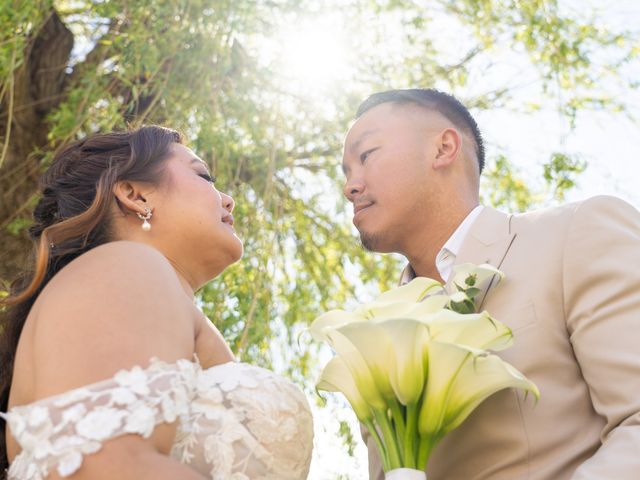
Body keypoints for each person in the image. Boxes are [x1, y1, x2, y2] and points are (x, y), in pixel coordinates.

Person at [341, 89, 640, 479]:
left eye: (366, 156)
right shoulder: (371, 341)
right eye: (346, 173)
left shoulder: (575, 234)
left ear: (443, 148)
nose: (350, 186)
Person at [0, 126, 313, 480]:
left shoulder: (141, 286)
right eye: (204, 176)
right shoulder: (125, 265)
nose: (228, 199)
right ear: (136, 195)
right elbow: (101, 467)